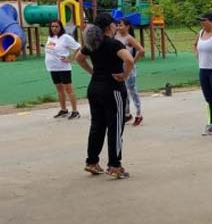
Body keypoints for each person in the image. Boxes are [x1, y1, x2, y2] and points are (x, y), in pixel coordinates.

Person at [75, 14, 134, 179]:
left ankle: (92, 162)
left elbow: (79, 58)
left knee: (97, 126)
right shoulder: (113, 44)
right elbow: (129, 59)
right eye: (115, 24)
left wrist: (92, 72)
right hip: (113, 88)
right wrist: (124, 75)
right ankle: (115, 165)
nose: (117, 26)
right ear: (110, 27)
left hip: (94, 88)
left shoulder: (93, 43)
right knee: (115, 127)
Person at [44, 20, 82, 120]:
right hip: (53, 68)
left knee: (68, 89)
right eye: (52, 26)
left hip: (63, 68)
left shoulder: (65, 37)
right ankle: (64, 110)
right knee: (59, 89)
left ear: (60, 27)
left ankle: (75, 111)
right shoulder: (50, 37)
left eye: (56, 26)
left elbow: (78, 47)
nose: (54, 28)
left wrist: (71, 59)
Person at [114, 18, 146, 126]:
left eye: (121, 25)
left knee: (132, 90)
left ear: (127, 27)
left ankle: (139, 114)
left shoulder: (129, 38)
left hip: (129, 68)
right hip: (118, 68)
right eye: (118, 25)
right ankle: (126, 114)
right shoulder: (115, 36)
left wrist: (132, 62)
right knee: (123, 91)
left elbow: (141, 50)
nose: (118, 27)